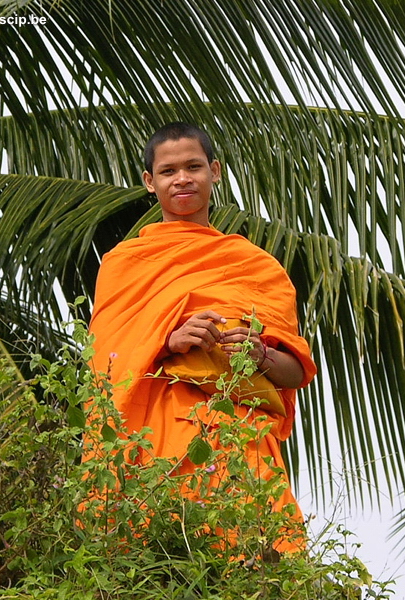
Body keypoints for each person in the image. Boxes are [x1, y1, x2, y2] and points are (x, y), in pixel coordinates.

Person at [87, 122, 317, 551]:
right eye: (168, 171)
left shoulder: (257, 267)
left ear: (215, 171)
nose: (182, 179)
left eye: (193, 166)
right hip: (154, 442)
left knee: (261, 561)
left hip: (240, 441)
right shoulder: (124, 264)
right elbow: (106, 361)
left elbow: (293, 374)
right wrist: (168, 340)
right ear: (149, 183)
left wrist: (258, 353)